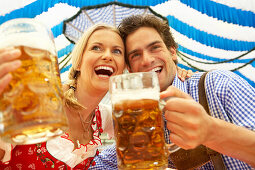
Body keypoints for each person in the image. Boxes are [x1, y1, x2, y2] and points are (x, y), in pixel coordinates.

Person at [0, 22, 191, 169]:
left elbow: (150, 127)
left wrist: (172, 72)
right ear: (78, 62)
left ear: (123, 70)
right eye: (96, 48)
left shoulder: (107, 118)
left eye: (117, 51)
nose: (107, 56)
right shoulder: (38, 103)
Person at [91, 15, 255, 169]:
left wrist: (211, 131)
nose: (147, 60)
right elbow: (97, 165)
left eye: (155, 48)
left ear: (172, 52)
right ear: (130, 69)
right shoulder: (139, 120)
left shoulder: (218, 84)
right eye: (135, 55)